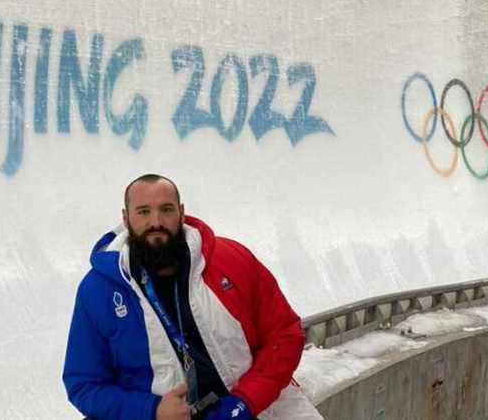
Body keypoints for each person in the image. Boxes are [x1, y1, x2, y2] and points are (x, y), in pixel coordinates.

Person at [63, 174, 320, 419]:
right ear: (126, 218)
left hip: (259, 408)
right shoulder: (99, 289)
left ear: (181, 213)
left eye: (166, 209)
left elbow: (284, 333)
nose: (156, 222)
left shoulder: (230, 260)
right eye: (143, 212)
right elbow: (84, 384)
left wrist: (245, 401)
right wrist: (151, 411)